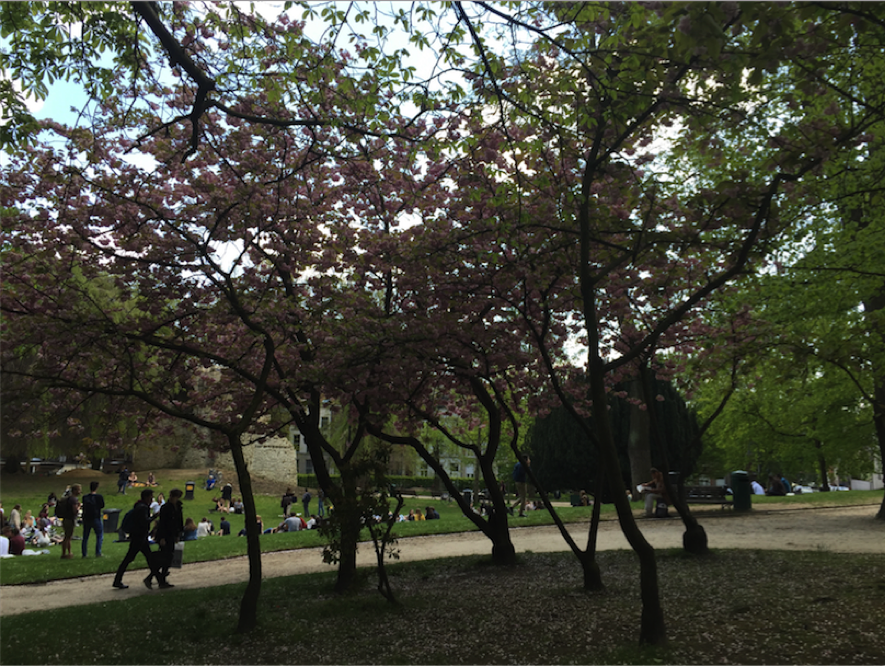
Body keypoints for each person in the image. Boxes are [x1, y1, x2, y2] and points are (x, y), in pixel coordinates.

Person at [112, 488, 161, 589]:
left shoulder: (139, 506)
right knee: (131, 558)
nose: (152, 499)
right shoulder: (143, 508)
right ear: (147, 497)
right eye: (151, 496)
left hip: (138, 536)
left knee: (148, 557)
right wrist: (154, 516)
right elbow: (144, 522)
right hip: (139, 537)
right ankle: (159, 579)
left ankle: (159, 578)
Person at [148, 487, 183, 589]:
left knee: (168, 558)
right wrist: (162, 537)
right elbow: (162, 524)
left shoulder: (178, 507)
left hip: (172, 534)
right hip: (165, 535)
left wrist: (178, 534)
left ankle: (158, 578)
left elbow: (179, 521)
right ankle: (159, 579)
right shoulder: (166, 508)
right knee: (165, 558)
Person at [81, 481, 105, 558]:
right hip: (96, 517)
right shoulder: (99, 497)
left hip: (86, 518)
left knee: (85, 537)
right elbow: (102, 505)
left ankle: (84, 554)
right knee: (99, 535)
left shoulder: (85, 497)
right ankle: (98, 552)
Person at [60, 484, 82, 559]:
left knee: (67, 536)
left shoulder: (68, 498)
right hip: (70, 520)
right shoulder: (73, 499)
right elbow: (75, 511)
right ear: (75, 491)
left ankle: (66, 553)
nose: (80, 491)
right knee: (68, 537)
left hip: (65, 519)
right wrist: (79, 506)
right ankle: (66, 553)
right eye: (79, 490)